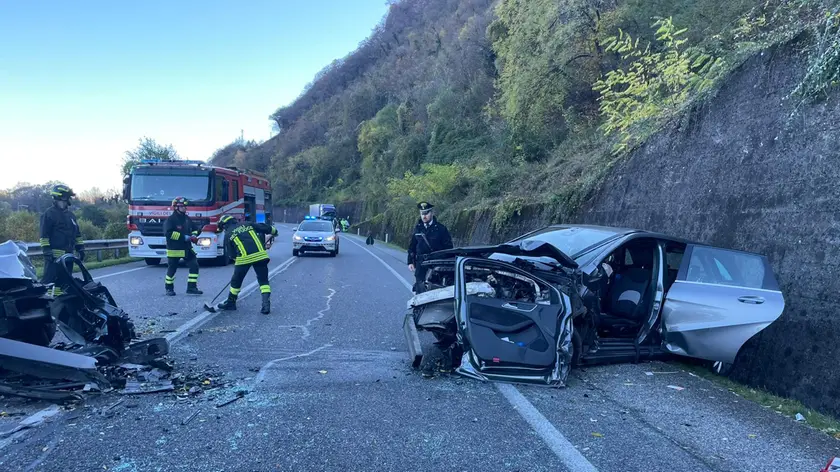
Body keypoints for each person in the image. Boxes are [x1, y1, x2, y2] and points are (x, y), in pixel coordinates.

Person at [215, 215, 279, 314]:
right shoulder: (247, 224)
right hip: (260, 256)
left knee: (236, 281)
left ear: (225, 225)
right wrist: (274, 231)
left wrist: (237, 261)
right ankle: (266, 306)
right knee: (263, 281)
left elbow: (231, 254)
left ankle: (231, 303)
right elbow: (264, 227)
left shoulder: (228, 234)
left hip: (243, 259)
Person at [40, 184, 85, 296]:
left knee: (64, 284)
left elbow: (77, 234)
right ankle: (47, 306)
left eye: (67, 198)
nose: (65, 201)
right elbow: (44, 235)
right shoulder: (49, 214)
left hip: (68, 257)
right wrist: (47, 251)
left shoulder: (71, 216)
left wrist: (80, 249)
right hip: (54, 258)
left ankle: (60, 306)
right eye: (63, 198)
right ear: (56, 198)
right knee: (49, 283)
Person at [407, 201, 453, 294]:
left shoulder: (441, 229)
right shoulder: (418, 228)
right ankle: (420, 308)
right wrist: (410, 261)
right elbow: (412, 246)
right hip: (421, 263)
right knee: (420, 288)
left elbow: (449, 248)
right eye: (422, 214)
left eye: (426, 213)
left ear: (432, 213)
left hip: (436, 264)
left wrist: (445, 263)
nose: (424, 216)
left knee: (434, 288)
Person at [164, 197, 202, 296]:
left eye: (185, 206)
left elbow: (195, 228)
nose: (185, 208)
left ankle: (192, 288)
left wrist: (194, 235)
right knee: (172, 269)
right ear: (176, 207)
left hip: (187, 249)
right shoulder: (171, 220)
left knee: (194, 266)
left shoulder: (186, 218)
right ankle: (169, 289)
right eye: (183, 206)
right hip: (175, 249)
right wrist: (184, 237)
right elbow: (168, 233)